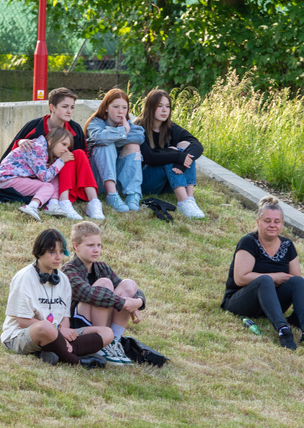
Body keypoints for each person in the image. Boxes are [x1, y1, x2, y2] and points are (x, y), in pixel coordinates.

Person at [220, 196, 304, 350]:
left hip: (272, 304)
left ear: (282, 224)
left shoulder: (287, 245)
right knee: (265, 280)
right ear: (258, 222)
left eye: (277, 221)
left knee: (298, 281)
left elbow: (295, 279)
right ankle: (283, 330)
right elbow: (240, 278)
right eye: (267, 221)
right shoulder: (249, 242)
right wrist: (274, 277)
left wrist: (278, 281)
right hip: (241, 301)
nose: (272, 225)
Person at [1, 228, 113, 365]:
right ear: (39, 252)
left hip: (57, 332)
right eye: (52, 252)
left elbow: (65, 317)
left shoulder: (63, 279)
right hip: (20, 335)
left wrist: (63, 330)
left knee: (107, 333)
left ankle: (54, 352)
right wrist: (59, 332)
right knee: (45, 327)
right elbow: (23, 322)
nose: (58, 257)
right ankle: (75, 360)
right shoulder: (24, 277)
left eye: (61, 252)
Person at [0, 87, 104, 220]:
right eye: (65, 106)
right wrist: (20, 141)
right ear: (52, 107)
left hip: (62, 177)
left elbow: (82, 159)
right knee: (60, 162)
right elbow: (14, 153)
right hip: (33, 175)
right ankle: (61, 201)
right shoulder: (34, 126)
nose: (69, 111)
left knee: (77, 153)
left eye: (72, 107)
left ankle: (93, 203)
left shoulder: (75, 128)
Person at [62, 221, 146, 365]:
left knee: (129, 285)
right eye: (90, 245)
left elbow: (132, 291)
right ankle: (101, 344)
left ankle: (113, 342)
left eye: (99, 245)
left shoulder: (101, 267)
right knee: (104, 284)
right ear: (76, 246)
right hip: (78, 326)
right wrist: (125, 303)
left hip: (100, 318)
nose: (96, 250)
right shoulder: (69, 270)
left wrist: (137, 302)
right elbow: (89, 294)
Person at [134, 89, 204, 218]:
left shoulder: (169, 127)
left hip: (166, 184)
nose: (165, 110)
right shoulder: (138, 127)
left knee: (185, 148)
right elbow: (150, 157)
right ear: (150, 107)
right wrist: (175, 155)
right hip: (146, 181)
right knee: (173, 153)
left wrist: (182, 162)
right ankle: (183, 202)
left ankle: (190, 198)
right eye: (159, 106)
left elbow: (197, 145)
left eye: (168, 106)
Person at [0, 128, 75, 221]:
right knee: (48, 187)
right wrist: (61, 161)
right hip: (7, 179)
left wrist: (58, 163)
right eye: (63, 144)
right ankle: (32, 206)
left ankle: (53, 204)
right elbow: (45, 178)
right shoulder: (38, 148)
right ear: (51, 141)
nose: (66, 150)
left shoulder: (45, 150)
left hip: (16, 178)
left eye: (68, 148)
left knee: (55, 174)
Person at [84, 88, 144, 212]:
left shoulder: (127, 124)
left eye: (124, 108)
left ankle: (132, 194)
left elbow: (139, 136)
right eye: (116, 107)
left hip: (118, 177)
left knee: (133, 146)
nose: (120, 112)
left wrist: (115, 136)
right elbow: (99, 137)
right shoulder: (95, 123)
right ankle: (112, 195)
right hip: (98, 179)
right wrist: (122, 132)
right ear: (106, 107)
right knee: (106, 144)